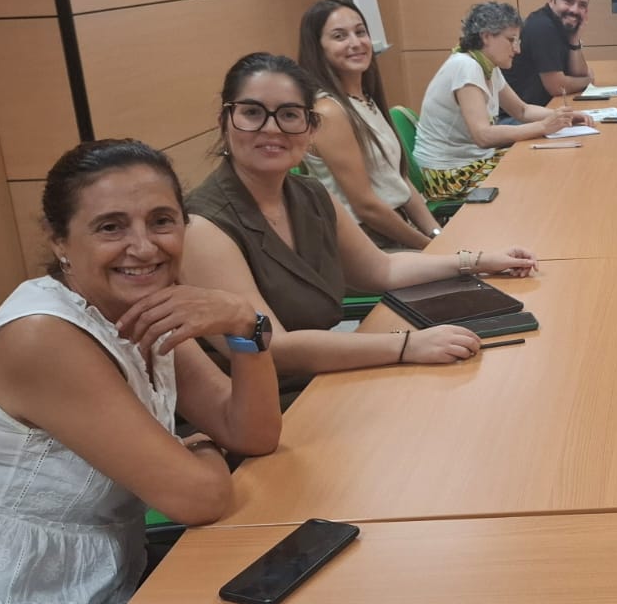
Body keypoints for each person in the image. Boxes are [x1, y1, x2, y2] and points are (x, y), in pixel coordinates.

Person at [0, 139, 282, 604]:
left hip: (94, 577)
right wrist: (201, 446)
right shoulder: (42, 338)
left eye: (161, 221)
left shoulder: (142, 307)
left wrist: (244, 323)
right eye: (111, 227)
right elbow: (200, 498)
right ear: (60, 240)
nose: (143, 247)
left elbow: (253, 434)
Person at [183, 53, 539, 387]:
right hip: (272, 399)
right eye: (252, 112)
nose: (272, 128)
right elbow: (272, 346)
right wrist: (406, 345)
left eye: (289, 115)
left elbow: (382, 269)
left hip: (327, 375)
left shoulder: (310, 193)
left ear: (311, 129)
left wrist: (478, 262)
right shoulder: (201, 226)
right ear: (224, 121)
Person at [297, 0, 445, 250]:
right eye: (340, 36)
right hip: (365, 243)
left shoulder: (363, 99)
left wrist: (438, 236)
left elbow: (397, 178)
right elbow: (367, 208)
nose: (356, 43)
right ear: (318, 48)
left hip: (394, 229)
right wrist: (432, 249)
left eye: (360, 32)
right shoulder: (329, 112)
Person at [413, 2, 590, 200]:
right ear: (486, 36)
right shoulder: (466, 67)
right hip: (449, 175)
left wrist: (566, 116)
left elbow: (522, 111)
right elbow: (483, 136)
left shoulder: (487, 65)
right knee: (540, 175)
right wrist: (543, 126)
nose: (517, 49)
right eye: (511, 40)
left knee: (542, 163)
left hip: (473, 162)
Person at [501, 0, 594, 108]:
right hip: (518, 116)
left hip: (541, 109)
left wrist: (574, 40)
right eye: (568, 1)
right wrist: (589, 81)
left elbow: (578, 74)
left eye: (582, 5)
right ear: (551, 0)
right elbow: (557, 87)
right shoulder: (542, 27)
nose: (575, 10)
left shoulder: (561, 25)